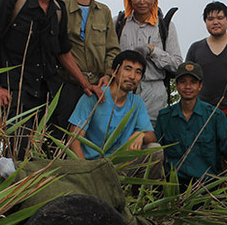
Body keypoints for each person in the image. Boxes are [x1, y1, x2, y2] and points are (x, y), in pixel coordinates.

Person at [0, 0, 91, 159]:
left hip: (48, 94)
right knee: (17, 152)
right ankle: (12, 190)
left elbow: (63, 52)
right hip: (17, 93)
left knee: (50, 151)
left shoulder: (59, 9)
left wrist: (86, 84)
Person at [2, 0, 121, 94]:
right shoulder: (58, 6)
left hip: (98, 86)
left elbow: (112, 48)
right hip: (65, 83)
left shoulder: (104, 11)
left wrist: (108, 75)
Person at [155, 62, 227, 183]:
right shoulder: (165, 117)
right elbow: (156, 152)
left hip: (206, 187)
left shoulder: (214, 115)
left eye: (193, 82)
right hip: (173, 185)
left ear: (200, 86)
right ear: (177, 85)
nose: (188, 86)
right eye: (183, 81)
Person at [68, 50, 163, 180]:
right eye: (128, 69)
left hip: (118, 167)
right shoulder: (94, 97)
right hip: (89, 165)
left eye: (138, 72)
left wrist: (141, 134)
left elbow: (152, 137)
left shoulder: (137, 103)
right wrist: (87, 174)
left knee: (154, 150)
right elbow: (73, 141)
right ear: (114, 71)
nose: (132, 76)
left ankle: (141, 198)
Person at [115, 0, 182, 124]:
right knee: (120, 136)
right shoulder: (119, 23)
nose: (142, 0)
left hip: (155, 93)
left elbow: (177, 65)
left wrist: (153, 51)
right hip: (123, 91)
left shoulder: (165, 26)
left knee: (152, 139)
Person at [186, 1, 227, 110]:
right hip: (201, 110)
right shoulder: (195, 48)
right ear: (205, 22)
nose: (215, 22)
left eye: (220, 18)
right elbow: (188, 79)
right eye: (210, 19)